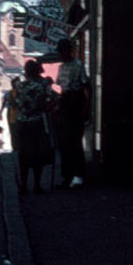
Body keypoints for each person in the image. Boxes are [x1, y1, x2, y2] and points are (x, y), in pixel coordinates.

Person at [54, 37, 90, 188]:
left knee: (75, 141)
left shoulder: (78, 65)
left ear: (68, 51)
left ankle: (78, 175)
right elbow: (61, 87)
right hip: (65, 103)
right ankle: (66, 176)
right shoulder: (61, 67)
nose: (60, 54)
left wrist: (86, 107)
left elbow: (87, 86)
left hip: (76, 102)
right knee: (64, 142)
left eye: (62, 51)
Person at [14, 59, 54, 193]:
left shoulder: (19, 86)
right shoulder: (42, 85)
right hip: (37, 122)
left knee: (23, 153)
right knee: (38, 153)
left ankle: (24, 184)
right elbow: (50, 100)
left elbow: (17, 102)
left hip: (21, 122)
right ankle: (37, 184)